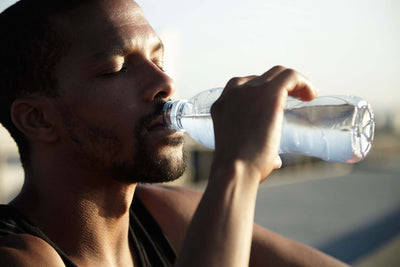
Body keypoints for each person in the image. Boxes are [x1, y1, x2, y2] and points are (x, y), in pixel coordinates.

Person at [0, 0, 348, 266]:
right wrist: (237, 168)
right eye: (117, 69)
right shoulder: (18, 255)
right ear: (38, 120)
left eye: (159, 61)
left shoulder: (167, 213)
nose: (165, 83)